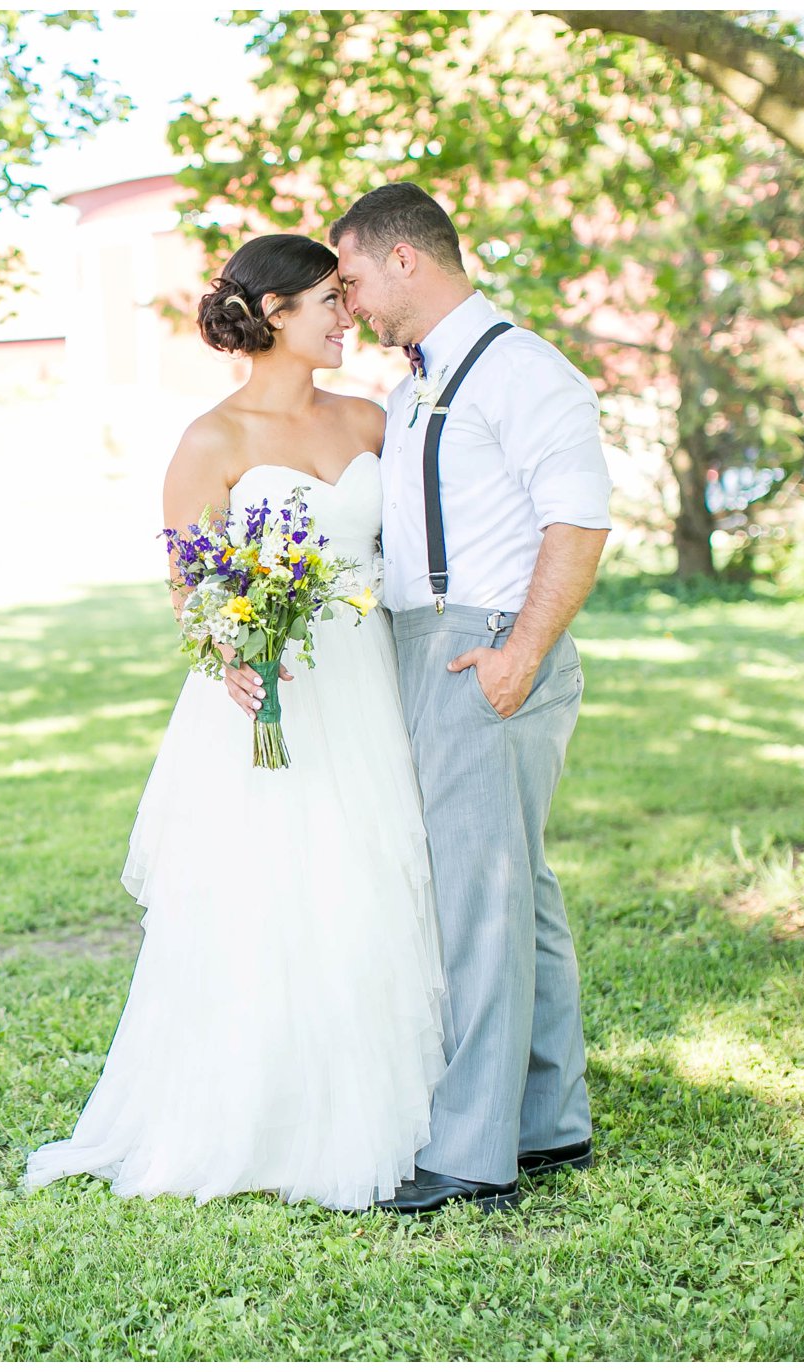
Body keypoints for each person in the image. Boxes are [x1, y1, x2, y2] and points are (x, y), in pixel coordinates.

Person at [23, 233, 450, 1211]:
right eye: (328, 302)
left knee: (368, 877)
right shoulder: (207, 441)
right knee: (269, 897)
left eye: (348, 301)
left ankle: (402, 1100)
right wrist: (230, 655)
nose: (347, 318)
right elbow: (187, 584)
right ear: (272, 314)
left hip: (367, 683)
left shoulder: (371, 418)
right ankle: (264, 1115)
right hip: (267, 692)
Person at [228, 183, 610, 1215]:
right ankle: (548, 1119)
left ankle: (472, 1150)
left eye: (346, 276)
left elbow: (575, 519)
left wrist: (517, 651)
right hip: (419, 645)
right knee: (512, 888)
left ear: (403, 261)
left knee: (476, 899)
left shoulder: (523, 371)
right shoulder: (417, 385)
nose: (343, 301)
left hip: (481, 646)